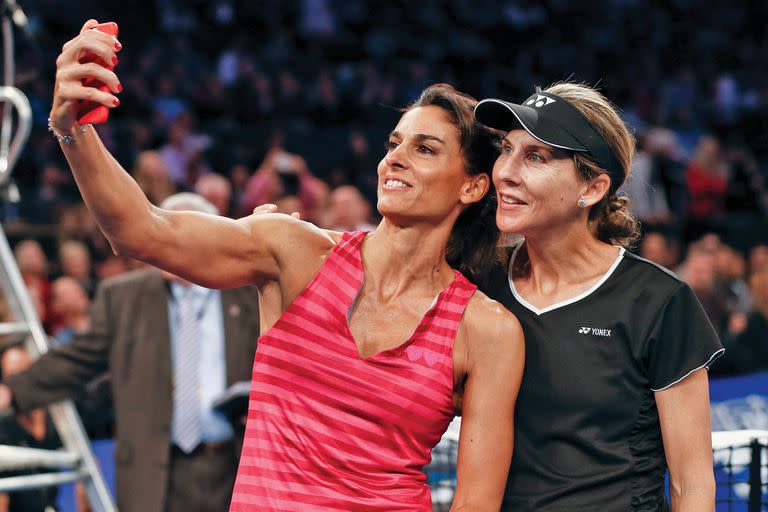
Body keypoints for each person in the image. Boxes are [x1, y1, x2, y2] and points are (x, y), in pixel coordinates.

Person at [34, 20, 524, 510]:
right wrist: (74, 128)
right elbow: (142, 230)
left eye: (425, 150)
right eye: (394, 143)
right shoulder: (297, 253)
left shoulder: (485, 330)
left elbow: (476, 504)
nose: (395, 159)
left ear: (473, 187)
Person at [474, 83, 723, 511]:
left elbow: (692, 483)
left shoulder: (660, 301)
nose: (505, 172)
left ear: (591, 189)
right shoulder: (483, 283)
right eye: (506, 149)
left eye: (535, 157)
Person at [0, 193, 262, 512]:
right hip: (152, 474)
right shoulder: (123, 297)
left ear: (211, 237)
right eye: (160, 233)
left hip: (233, 465)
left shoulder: (249, 294)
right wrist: (12, 391)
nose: (163, 245)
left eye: (176, 234)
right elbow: (77, 359)